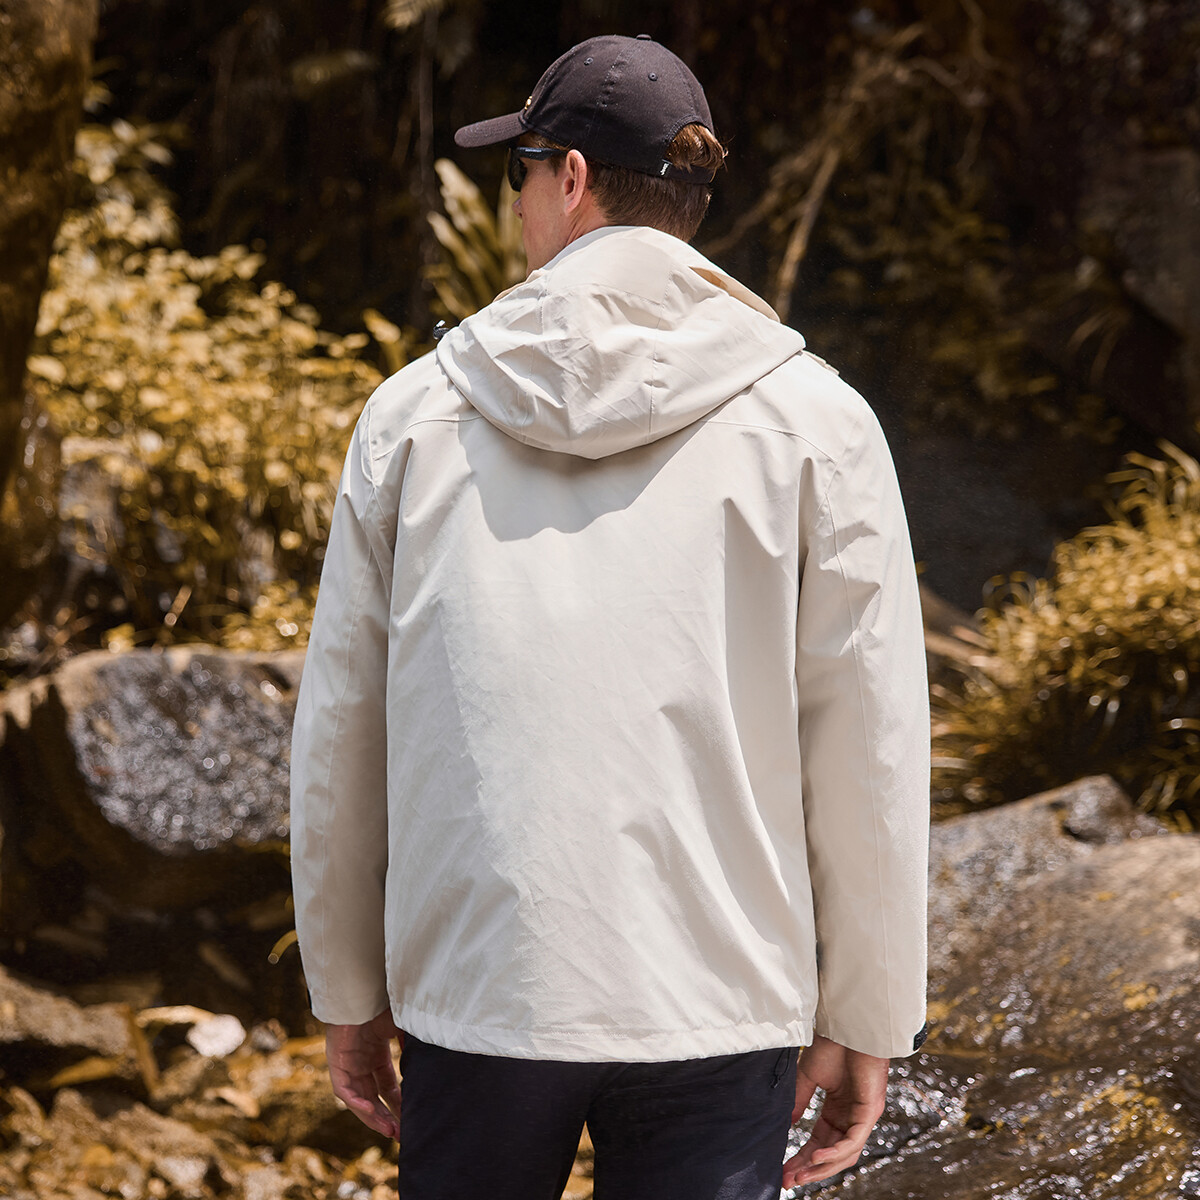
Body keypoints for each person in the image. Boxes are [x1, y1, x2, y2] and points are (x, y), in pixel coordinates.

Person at [290, 32, 929, 1200]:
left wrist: (347, 991)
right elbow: (870, 741)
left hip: (482, 989)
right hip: (718, 997)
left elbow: (343, 727)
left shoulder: (412, 418)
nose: (516, 203)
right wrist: (870, 1011)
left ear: (572, 178)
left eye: (521, 172)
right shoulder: (821, 423)